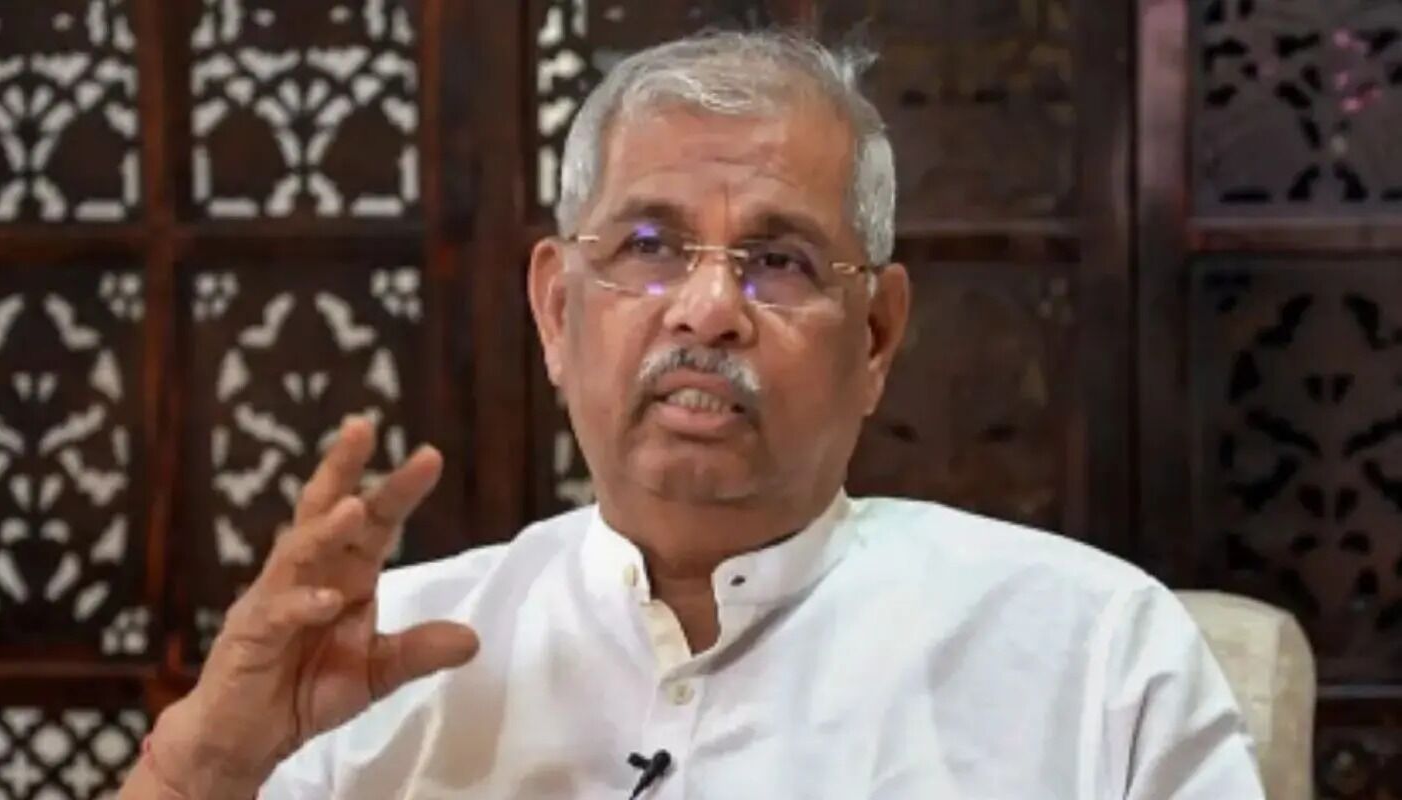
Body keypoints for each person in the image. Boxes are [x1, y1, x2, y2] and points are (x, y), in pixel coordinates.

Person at [121, 30, 1266, 799]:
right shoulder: (377, 661)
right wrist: (199, 768)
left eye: (780, 258)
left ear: (875, 335)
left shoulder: (1094, 653)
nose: (709, 309)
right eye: (648, 246)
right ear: (557, 310)